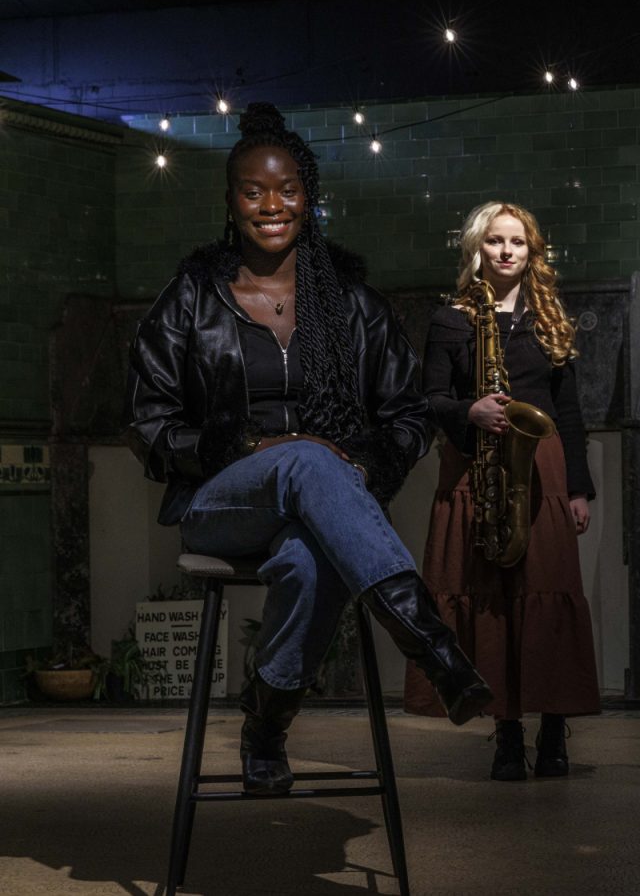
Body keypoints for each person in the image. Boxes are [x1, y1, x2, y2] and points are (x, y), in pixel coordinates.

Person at [126, 103, 492, 797]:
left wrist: (365, 465)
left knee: (309, 555)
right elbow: (147, 423)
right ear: (230, 203)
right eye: (253, 191)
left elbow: (408, 417)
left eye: (288, 189)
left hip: (324, 503)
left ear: (309, 196)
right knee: (304, 459)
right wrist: (241, 445)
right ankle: (432, 648)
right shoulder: (190, 300)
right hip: (219, 500)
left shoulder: (353, 306)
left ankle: (267, 721)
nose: (272, 204)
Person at [403, 201, 600, 780]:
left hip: (542, 470)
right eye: (494, 241)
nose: (506, 251)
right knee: (489, 597)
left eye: (517, 241)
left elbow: (570, 414)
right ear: (476, 250)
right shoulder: (451, 319)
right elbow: (428, 399)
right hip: (474, 468)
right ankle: (506, 732)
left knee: (546, 593)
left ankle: (553, 729)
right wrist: (470, 409)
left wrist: (579, 491)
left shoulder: (550, 319)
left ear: (531, 251)